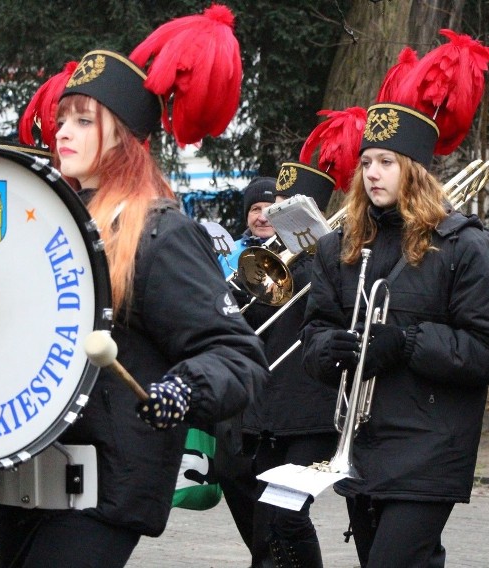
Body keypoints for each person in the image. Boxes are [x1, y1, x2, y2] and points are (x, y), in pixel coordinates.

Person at [0, 5, 268, 567]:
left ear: (124, 136)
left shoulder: (161, 234)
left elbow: (239, 357)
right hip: (19, 472)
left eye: (84, 120)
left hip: (105, 483)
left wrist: (185, 387)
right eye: (63, 119)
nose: (62, 131)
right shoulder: (43, 223)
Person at [300, 31, 489, 567]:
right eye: (367, 161)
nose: (372, 173)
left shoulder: (464, 244)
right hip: (362, 445)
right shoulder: (339, 246)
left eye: (387, 162)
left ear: (414, 170)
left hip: (430, 448)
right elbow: (314, 331)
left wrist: (407, 343)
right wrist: (328, 351)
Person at [216, 160, 347, 567]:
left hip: (311, 413)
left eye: (283, 205)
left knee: (285, 519)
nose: (271, 214)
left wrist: (316, 257)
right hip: (266, 412)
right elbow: (241, 321)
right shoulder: (263, 258)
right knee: (266, 530)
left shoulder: (338, 255)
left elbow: (339, 314)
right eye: (272, 206)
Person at [219, 177, 277, 279]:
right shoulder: (228, 254)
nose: (263, 218)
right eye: (256, 209)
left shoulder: (299, 253)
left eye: (271, 209)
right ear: (247, 218)